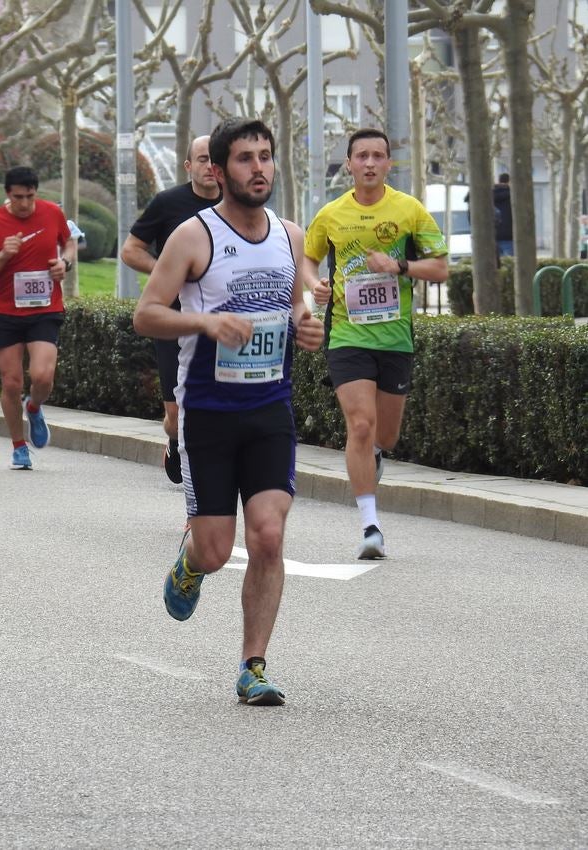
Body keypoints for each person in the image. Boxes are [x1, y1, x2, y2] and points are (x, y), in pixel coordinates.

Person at [133, 118, 324, 707]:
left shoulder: (290, 237)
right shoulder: (194, 237)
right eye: (245, 158)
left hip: (270, 409)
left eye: (266, 156)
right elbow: (147, 314)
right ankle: (189, 563)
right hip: (208, 414)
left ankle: (253, 666)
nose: (259, 168)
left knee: (268, 536)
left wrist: (307, 325)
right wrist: (204, 321)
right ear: (218, 171)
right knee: (217, 551)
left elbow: (297, 304)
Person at [304, 128, 448, 559]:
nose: (369, 163)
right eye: (361, 156)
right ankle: (370, 525)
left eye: (378, 156)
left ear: (388, 164)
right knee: (360, 425)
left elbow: (441, 269)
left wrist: (399, 265)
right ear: (348, 164)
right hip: (347, 334)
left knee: (386, 433)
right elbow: (308, 260)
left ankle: (376, 455)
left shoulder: (409, 211)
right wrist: (317, 286)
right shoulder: (330, 214)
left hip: (395, 337)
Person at [121, 135, 221, 484]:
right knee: (177, 413)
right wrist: (167, 272)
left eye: (215, 159)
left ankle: (203, 485)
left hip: (220, 322)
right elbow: (130, 250)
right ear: (188, 166)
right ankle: (174, 439)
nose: (210, 167)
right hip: (174, 318)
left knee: (213, 407)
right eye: (203, 159)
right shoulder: (168, 203)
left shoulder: (236, 204)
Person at [0, 166, 75, 470]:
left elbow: (69, 242)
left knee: (42, 376)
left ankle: (35, 406)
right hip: (5, 312)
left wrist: (65, 263)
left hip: (45, 308)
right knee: (12, 383)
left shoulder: (51, 213)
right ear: (7, 195)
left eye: (30, 196)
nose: (26, 204)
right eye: (19, 198)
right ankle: (19, 447)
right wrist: (3, 255)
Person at [492, 172, 513, 258]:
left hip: (494, 235)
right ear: (509, 181)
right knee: (510, 263)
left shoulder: (490, 194)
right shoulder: (513, 195)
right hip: (509, 235)